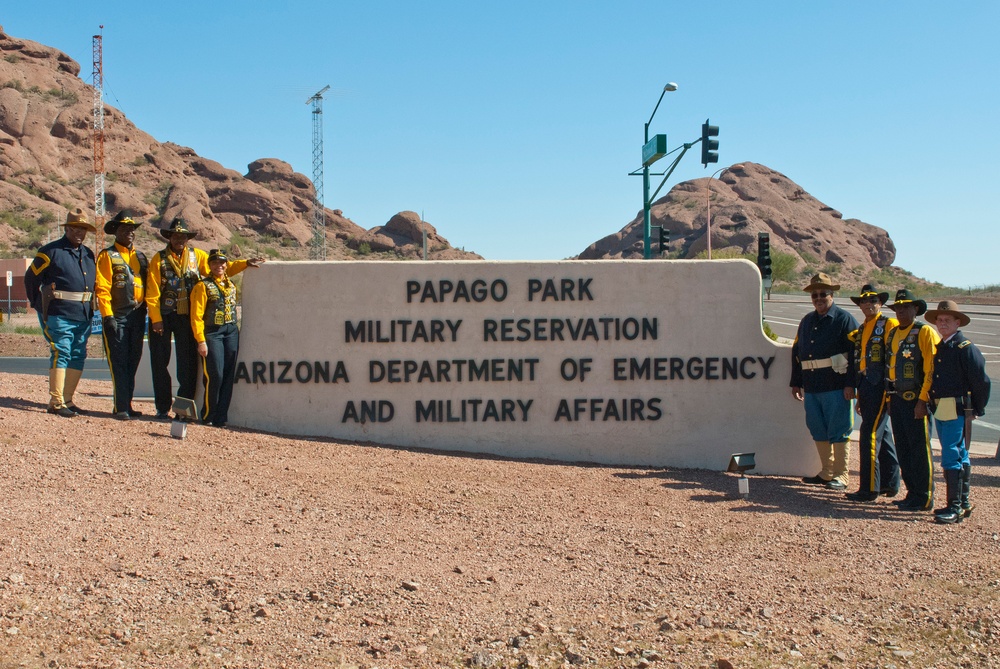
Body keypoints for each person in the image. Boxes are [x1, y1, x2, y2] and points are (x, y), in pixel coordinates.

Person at [145, 218, 260, 419]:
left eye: (183, 236)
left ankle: (182, 409)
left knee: (187, 365)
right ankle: (162, 407)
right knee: (160, 363)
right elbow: (152, 291)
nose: (179, 239)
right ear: (169, 237)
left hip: (186, 317)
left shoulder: (196, 256)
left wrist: (244, 264)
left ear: (187, 239)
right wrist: (155, 318)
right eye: (176, 235)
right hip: (163, 316)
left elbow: (220, 269)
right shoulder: (158, 259)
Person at [23, 207, 97, 418]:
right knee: (61, 351)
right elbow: (31, 279)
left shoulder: (88, 254)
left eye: (83, 229)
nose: (79, 233)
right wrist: (38, 303)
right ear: (67, 228)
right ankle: (56, 402)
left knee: (78, 354)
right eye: (75, 228)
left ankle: (68, 399)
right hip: (58, 313)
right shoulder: (50, 252)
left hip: (83, 314)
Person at [791, 273, 859, 490]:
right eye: (815, 295)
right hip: (812, 385)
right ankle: (827, 471)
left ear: (832, 295)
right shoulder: (807, 321)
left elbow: (855, 354)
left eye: (823, 294)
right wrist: (796, 382)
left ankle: (841, 475)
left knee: (839, 429)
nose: (818, 298)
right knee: (817, 428)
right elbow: (797, 352)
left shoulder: (844, 319)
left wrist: (851, 384)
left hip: (836, 384)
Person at [925, 300, 991, 524]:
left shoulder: (965, 348)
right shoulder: (943, 347)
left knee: (952, 454)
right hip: (942, 406)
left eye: (947, 320)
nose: (942, 323)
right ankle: (961, 502)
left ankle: (955, 505)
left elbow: (981, 380)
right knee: (957, 452)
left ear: (957, 322)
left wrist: (977, 408)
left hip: (957, 408)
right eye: (939, 320)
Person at [190, 248, 264, 427]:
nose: (219, 266)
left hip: (230, 331)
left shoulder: (228, 282)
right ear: (209, 265)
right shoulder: (202, 286)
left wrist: (246, 263)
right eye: (215, 262)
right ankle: (208, 414)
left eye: (222, 262)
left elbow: (233, 268)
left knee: (229, 375)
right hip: (212, 332)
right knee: (215, 373)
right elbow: (196, 316)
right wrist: (201, 340)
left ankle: (221, 417)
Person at [884, 289, 940, 512]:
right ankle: (911, 493)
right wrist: (889, 397)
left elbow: (931, 369)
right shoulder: (894, 333)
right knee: (904, 449)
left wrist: (923, 400)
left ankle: (924, 496)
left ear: (915, 309)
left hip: (916, 399)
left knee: (919, 449)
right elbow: (890, 368)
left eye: (905, 307)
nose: (901, 311)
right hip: (897, 399)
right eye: (898, 307)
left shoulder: (925, 332)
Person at [844, 285, 900, 502]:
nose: (868, 304)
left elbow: (893, 357)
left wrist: (888, 390)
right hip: (866, 385)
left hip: (880, 385)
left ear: (881, 303)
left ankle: (869, 488)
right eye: (864, 301)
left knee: (869, 435)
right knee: (882, 434)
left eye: (873, 300)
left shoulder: (888, 324)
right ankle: (890, 482)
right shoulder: (862, 329)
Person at [95, 210, 148, 420]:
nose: (129, 233)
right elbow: (102, 287)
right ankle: (120, 407)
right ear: (115, 231)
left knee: (133, 361)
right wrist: (107, 316)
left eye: (132, 229)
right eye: (125, 229)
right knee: (118, 362)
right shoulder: (107, 255)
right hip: (117, 316)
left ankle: (128, 403)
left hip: (137, 317)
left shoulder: (140, 257)